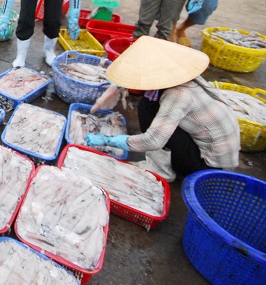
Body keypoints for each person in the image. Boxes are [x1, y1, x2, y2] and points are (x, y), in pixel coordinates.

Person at [85, 36, 239, 182]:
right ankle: (167, 160)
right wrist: (109, 95)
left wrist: (107, 140)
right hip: (199, 144)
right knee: (147, 104)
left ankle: (162, 170)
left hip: (206, 166)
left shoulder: (178, 94)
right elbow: (136, 79)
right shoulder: (177, 75)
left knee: (148, 111)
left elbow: (152, 141)